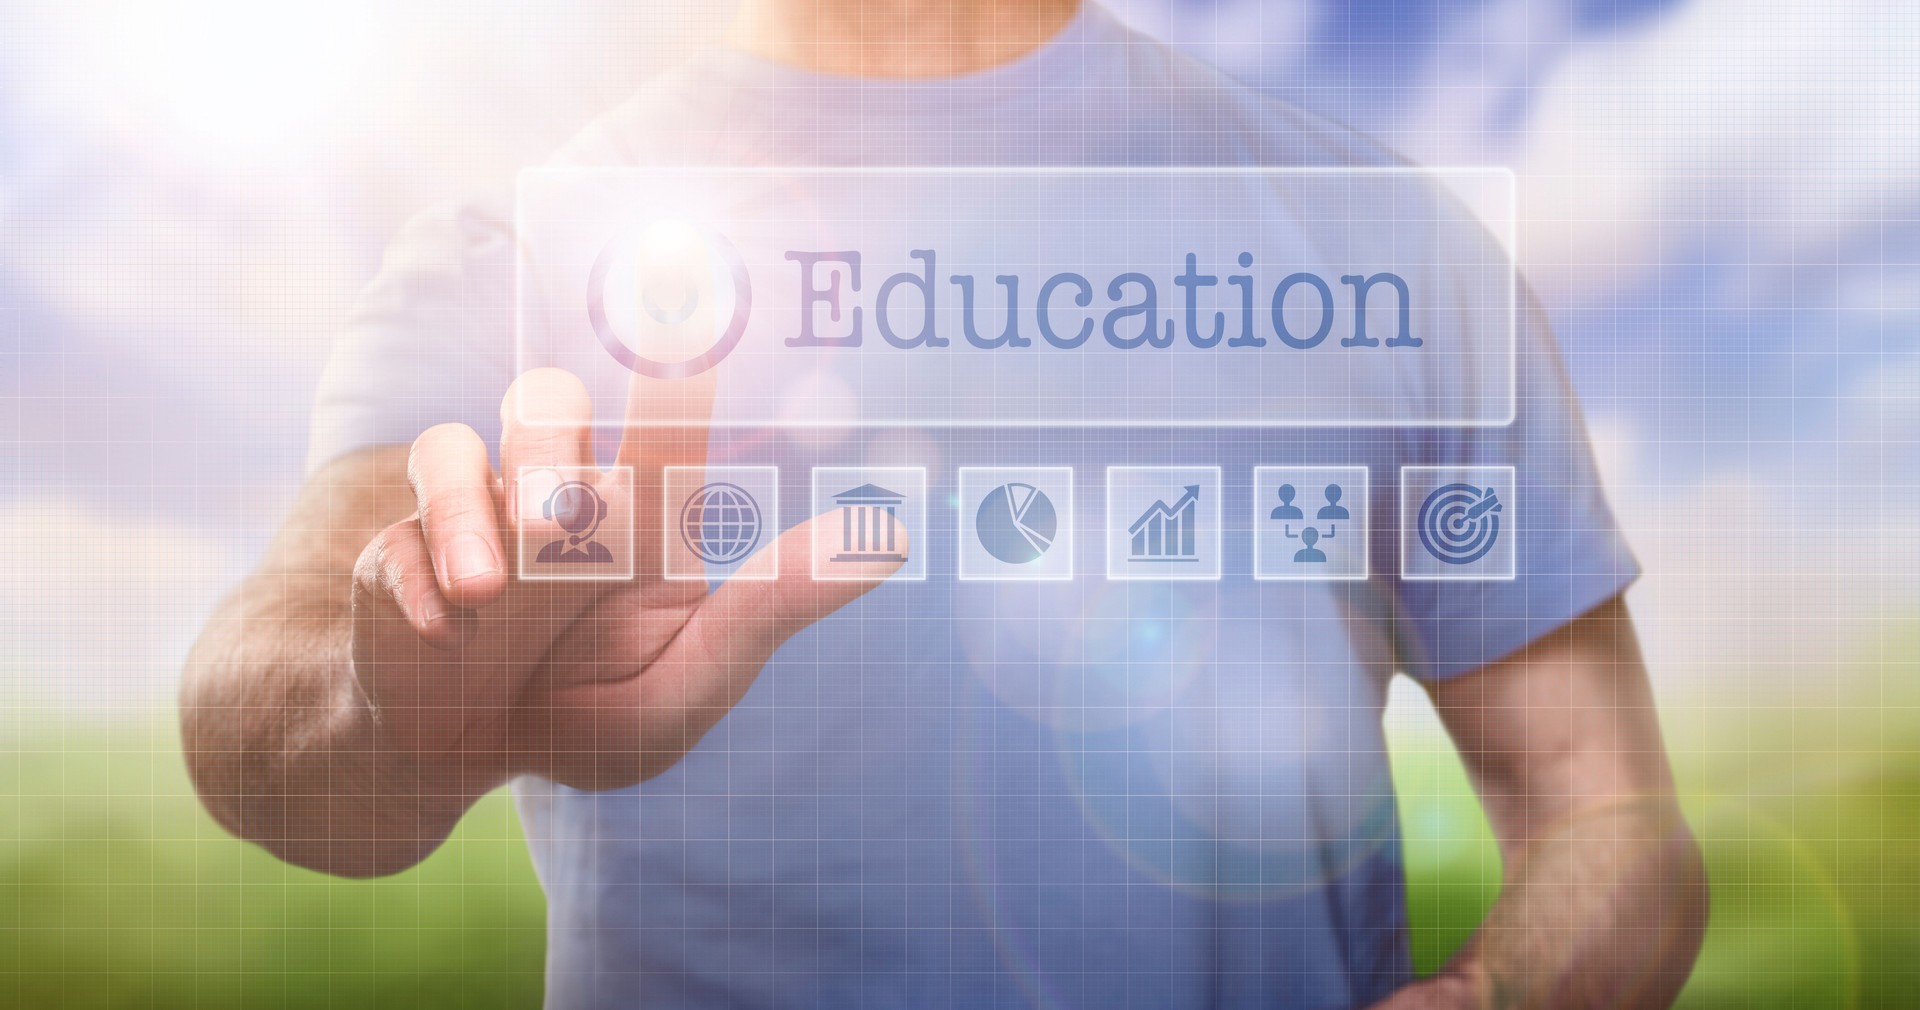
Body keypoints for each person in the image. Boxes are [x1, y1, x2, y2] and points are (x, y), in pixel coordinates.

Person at [180, 2, 1707, 1008]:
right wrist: (397, 704)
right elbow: (266, 704)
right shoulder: (519, 256)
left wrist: (1499, 991)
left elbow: (1615, 826)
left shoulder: (1390, 248)